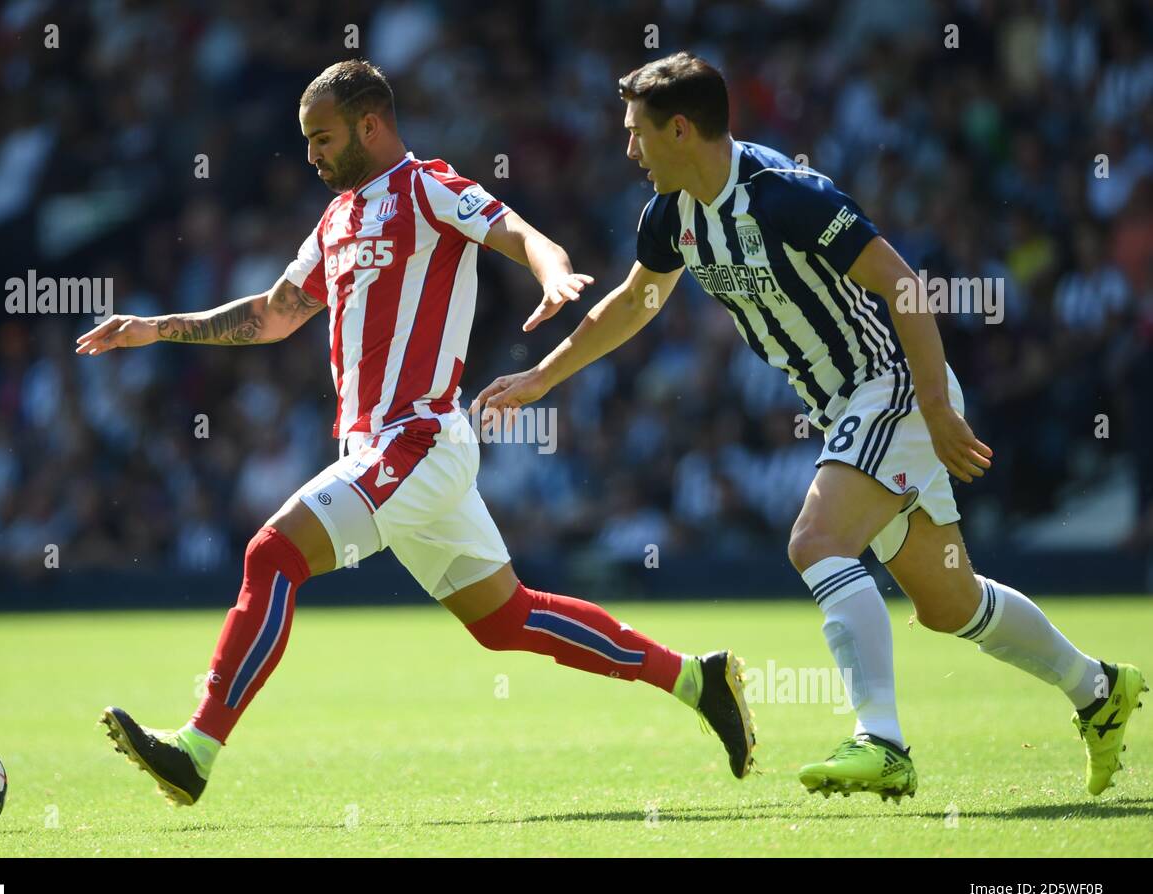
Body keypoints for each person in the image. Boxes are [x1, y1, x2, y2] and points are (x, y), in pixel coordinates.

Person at [74, 59, 754, 806]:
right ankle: (698, 678)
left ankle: (196, 748)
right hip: (382, 450)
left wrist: (552, 270)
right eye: (306, 141)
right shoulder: (336, 219)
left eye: (322, 138)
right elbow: (271, 314)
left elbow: (518, 232)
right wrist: (155, 329)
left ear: (370, 124)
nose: (310, 155)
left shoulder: (425, 185)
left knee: (272, 553)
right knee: (507, 618)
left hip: (417, 438)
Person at [475, 52, 1143, 801]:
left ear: (682, 130)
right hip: (847, 407)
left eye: (636, 132)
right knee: (949, 603)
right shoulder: (671, 215)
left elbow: (903, 285)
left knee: (815, 541)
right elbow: (635, 303)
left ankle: (882, 741)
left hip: (889, 383)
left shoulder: (785, 195)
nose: (628, 148)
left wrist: (934, 404)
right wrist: (541, 378)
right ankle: (1098, 687)